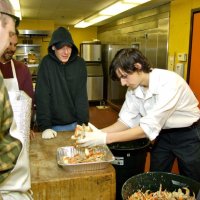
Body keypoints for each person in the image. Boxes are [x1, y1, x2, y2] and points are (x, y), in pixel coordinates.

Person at [77, 48, 200, 182]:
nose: (123, 83)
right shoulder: (134, 89)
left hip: (188, 135)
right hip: (163, 135)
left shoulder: (170, 83)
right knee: (156, 177)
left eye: (124, 76)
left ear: (138, 66)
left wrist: (106, 138)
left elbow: (146, 129)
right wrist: (98, 133)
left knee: (191, 179)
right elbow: (125, 122)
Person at [0, 0, 33, 199]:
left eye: (14, 42)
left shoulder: (20, 68)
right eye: (9, 33)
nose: (9, 45)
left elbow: (29, 100)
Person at [35, 26, 89, 139]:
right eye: (61, 48)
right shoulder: (46, 64)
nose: (66, 52)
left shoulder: (80, 64)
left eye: (69, 47)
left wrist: (83, 124)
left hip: (76, 124)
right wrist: (45, 127)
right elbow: (42, 97)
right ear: (53, 47)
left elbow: (81, 96)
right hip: (53, 127)